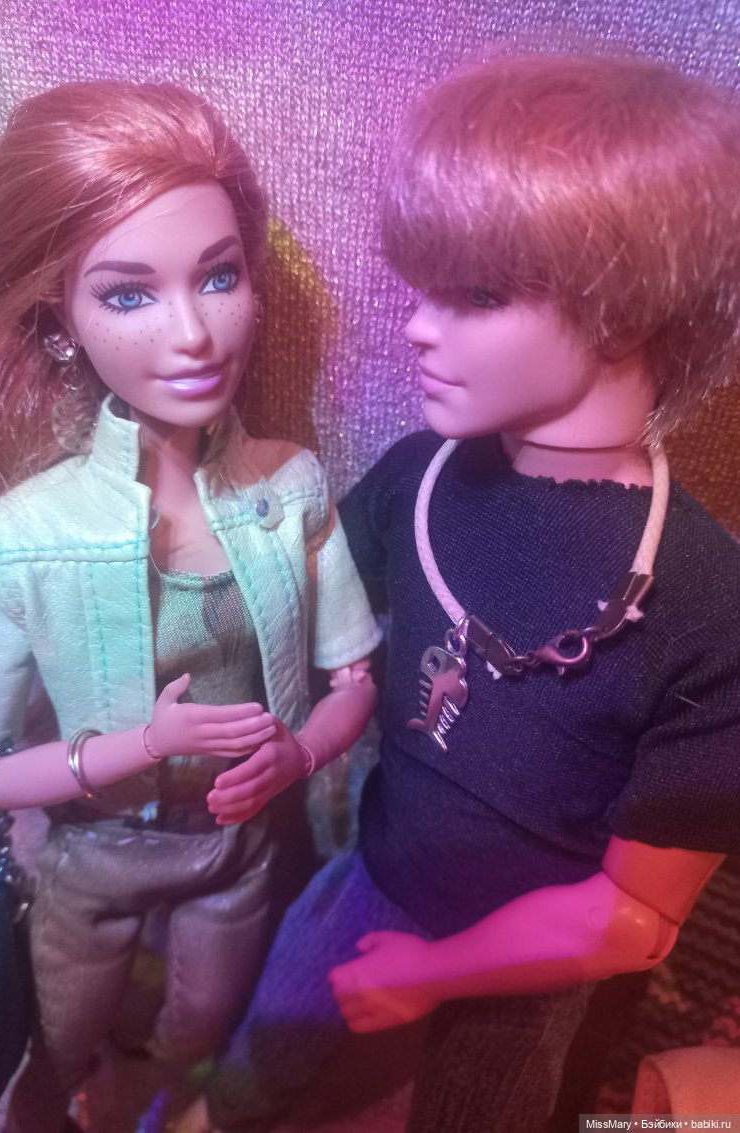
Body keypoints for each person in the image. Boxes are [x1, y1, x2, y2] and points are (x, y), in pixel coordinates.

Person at [183, 52, 740, 1133]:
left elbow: (634, 916)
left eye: (477, 296)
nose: (417, 327)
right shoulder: (424, 478)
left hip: (531, 965)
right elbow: (293, 603)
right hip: (374, 874)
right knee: (259, 1059)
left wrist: (436, 972)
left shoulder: (705, 606)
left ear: (625, 311)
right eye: (425, 287)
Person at [0, 80, 380, 1133]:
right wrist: (139, 746)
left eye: (219, 277)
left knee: (196, 1029)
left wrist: (299, 755)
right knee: (57, 1043)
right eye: (128, 295)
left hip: (239, 846)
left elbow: (353, 679)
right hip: (93, 852)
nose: (192, 333)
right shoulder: (25, 533)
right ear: (58, 322)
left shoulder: (291, 487)